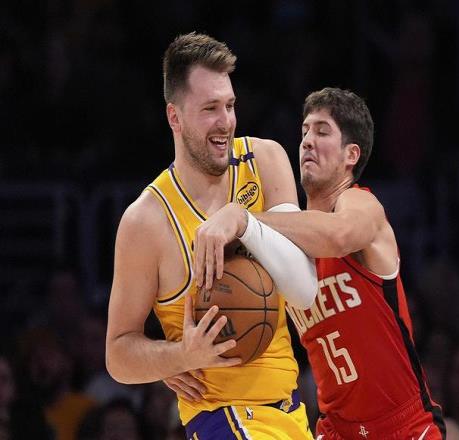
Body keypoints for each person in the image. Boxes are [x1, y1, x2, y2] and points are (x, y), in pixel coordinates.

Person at [194, 87, 446, 439]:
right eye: (304, 132)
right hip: (335, 429)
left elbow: (339, 235)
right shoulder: (286, 244)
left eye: (322, 132)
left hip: (404, 426)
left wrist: (246, 219)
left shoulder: (361, 205)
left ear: (351, 155)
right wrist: (181, 360)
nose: (308, 141)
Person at [105, 32, 317, 440]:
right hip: (222, 418)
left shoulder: (266, 161)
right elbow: (118, 353)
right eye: (209, 109)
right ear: (175, 118)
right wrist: (177, 356)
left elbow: (304, 291)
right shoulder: (146, 221)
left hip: (291, 411)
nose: (226, 122)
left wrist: (244, 221)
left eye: (230, 105)